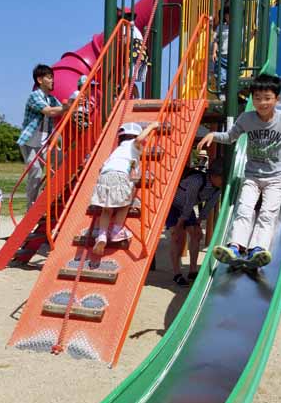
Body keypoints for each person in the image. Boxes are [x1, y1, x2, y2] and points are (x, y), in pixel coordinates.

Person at [197, 73, 281, 268]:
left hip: (277, 177)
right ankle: (235, 246)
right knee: (244, 209)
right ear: (252, 99)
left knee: (268, 213)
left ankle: (257, 249)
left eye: (267, 98)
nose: (262, 103)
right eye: (257, 98)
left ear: (277, 99)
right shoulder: (247, 118)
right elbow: (231, 136)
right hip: (252, 175)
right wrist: (213, 135)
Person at [90, 121, 159, 256]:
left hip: (104, 176)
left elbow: (101, 168)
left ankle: (102, 235)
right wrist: (152, 127)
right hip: (120, 176)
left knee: (106, 209)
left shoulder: (117, 150)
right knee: (124, 205)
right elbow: (139, 139)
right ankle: (116, 231)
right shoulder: (133, 145)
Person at [16, 64, 68, 208]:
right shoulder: (34, 96)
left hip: (44, 143)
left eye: (53, 78)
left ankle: (47, 192)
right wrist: (66, 107)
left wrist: (73, 106)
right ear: (40, 80)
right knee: (36, 172)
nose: (53, 81)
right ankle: (31, 209)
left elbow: (62, 110)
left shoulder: (51, 98)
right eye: (49, 77)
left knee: (61, 161)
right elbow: (50, 111)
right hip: (30, 143)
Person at [166, 159, 224, 286]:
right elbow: (189, 203)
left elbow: (209, 206)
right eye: (221, 178)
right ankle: (177, 274)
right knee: (177, 236)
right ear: (213, 176)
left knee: (196, 234)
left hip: (186, 207)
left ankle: (193, 271)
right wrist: (180, 224)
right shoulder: (196, 181)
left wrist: (198, 222)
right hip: (172, 204)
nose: (223, 181)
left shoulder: (217, 188)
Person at [212, 3, 231, 95]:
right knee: (221, 75)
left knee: (230, 77)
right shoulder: (221, 27)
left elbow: (245, 39)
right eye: (228, 15)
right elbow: (216, 40)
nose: (230, 17)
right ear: (225, 16)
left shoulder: (239, 27)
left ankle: (228, 93)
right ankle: (221, 93)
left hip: (233, 56)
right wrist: (214, 52)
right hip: (222, 54)